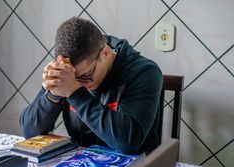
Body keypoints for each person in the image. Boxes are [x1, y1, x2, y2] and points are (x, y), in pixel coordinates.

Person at [20, 17, 162, 154]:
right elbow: (29, 132)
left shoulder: (144, 72)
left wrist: (74, 92)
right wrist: (54, 94)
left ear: (106, 53)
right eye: (72, 78)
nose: (80, 84)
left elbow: (128, 141)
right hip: (80, 165)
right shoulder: (66, 73)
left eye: (85, 76)